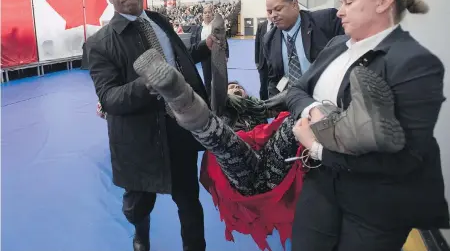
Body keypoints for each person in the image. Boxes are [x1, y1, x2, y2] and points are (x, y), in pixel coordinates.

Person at [131, 40, 410, 249]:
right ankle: (180, 98)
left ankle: (356, 124)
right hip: (240, 175)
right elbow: (218, 88)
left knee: (292, 123)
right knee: (224, 142)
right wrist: (217, 58)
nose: (236, 90)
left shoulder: (258, 108)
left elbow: (286, 101)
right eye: (233, 88)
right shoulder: (223, 107)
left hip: (273, 170)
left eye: (240, 88)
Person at [286, 0, 449, 250]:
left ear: (383, 1)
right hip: (322, 186)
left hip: (376, 204)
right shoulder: (337, 45)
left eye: (348, 2)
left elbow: (406, 158)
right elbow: (297, 89)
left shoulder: (415, 63)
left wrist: (317, 148)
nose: (339, 11)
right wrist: (313, 110)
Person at [86, 0, 216, 251]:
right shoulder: (100, 43)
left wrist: (204, 47)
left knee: (189, 200)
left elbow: (177, 59)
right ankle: (141, 238)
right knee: (138, 205)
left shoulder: (159, 21)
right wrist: (149, 83)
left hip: (179, 127)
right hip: (138, 139)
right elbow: (109, 98)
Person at [264, 0, 345, 97]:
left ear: (295, 4)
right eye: (269, 12)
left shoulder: (326, 21)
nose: (273, 15)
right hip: (294, 101)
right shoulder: (269, 39)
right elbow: (274, 79)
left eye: (278, 9)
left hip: (329, 97)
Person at [193, 4, 229, 100]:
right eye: (205, 13)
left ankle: (219, 99)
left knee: (218, 78)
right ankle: (209, 99)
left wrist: (226, 55)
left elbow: (224, 40)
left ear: (212, 14)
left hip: (217, 55)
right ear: (202, 15)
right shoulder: (198, 28)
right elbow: (195, 42)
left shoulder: (216, 26)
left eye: (209, 12)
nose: (207, 14)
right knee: (207, 79)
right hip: (204, 57)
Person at [254, 18, 273, 100]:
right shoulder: (261, 26)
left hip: (276, 63)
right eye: (269, 11)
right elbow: (257, 44)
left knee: (275, 87)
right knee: (263, 87)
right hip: (263, 63)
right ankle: (263, 105)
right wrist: (257, 61)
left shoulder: (279, 25)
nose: (271, 13)